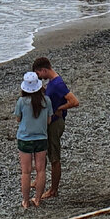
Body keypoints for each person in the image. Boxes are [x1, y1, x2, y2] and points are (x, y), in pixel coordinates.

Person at [34, 56, 79, 199]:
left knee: (54, 156)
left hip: (55, 123)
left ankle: (53, 190)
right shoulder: (53, 82)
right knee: (48, 153)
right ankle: (44, 184)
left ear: (44, 70)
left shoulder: (58, 84)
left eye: (38, 74)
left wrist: (61, 107)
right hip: (51, 122)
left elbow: (74, 101)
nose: (39, 77)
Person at [14, 72, 51, 210]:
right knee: (41, 169)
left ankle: (25, 201)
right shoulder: (46, 101)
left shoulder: (21, 102)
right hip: (41, 137)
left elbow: (18, 119)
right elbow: (48, 120)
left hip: (25, 138)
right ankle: (38, 198)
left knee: (26, 171)